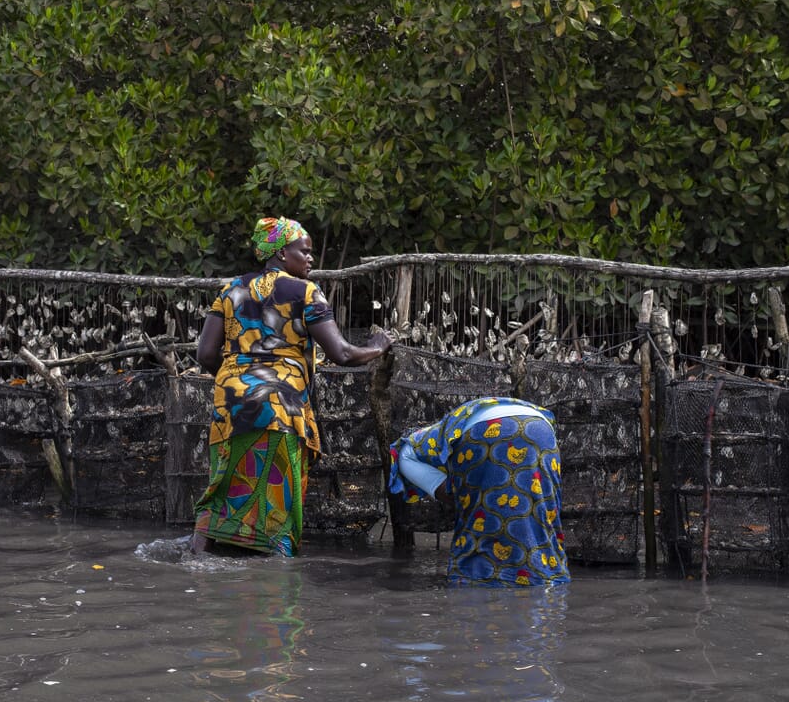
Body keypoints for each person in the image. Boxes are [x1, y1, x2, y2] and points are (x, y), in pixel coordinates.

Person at [192, 215, 391, 556]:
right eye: (305, 251)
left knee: (223, 485)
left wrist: (238, 383)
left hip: (231, 404)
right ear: (282, 254)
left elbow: (206, 354)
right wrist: (378, 346)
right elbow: (342, 353)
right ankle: (278, 582)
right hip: (281, 408)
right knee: (278, 494)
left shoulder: (232, 289)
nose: (311, 259)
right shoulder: (305, 292)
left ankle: (197, 557)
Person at [389, 396, 570, 586]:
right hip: (540, 430)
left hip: (484, 431)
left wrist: (452, 493)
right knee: (540, 510)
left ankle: (479, 577)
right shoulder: (466, 417)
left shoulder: (432, 435)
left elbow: (402, 453)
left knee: (480, 522)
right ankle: (546, 577)